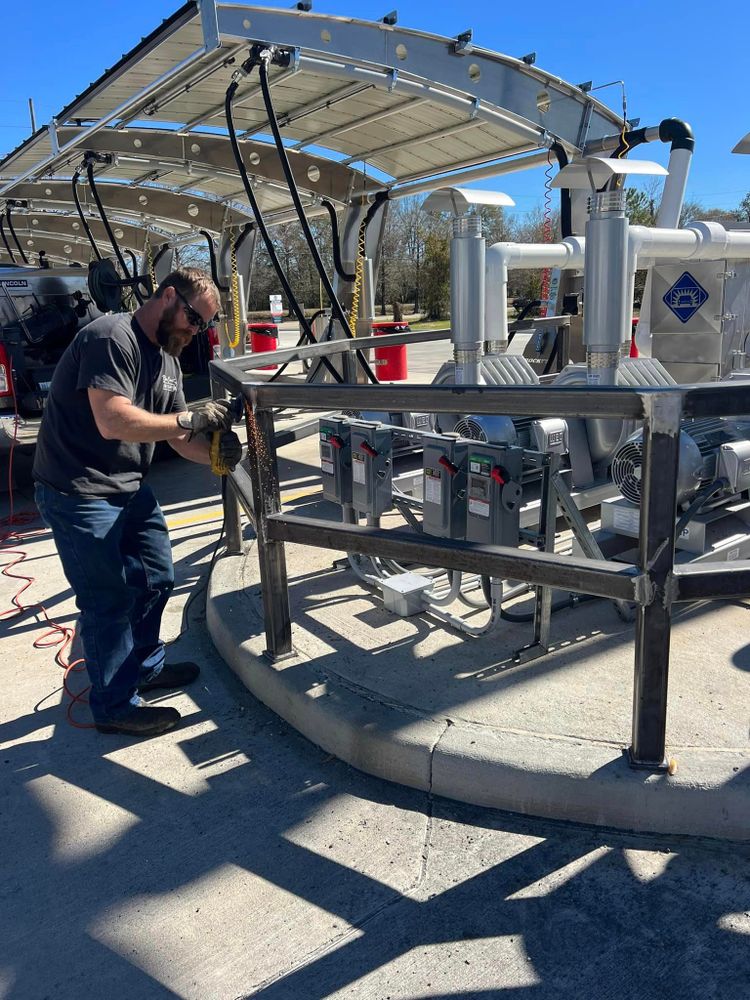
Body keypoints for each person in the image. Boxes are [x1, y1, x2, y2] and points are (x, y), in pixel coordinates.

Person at [33, 267, 243, 738]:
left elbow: (173, 436)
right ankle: (113, 704)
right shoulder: (112, 337)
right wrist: (189, 417)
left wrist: (213, 455)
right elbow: (113, 420)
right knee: (106, 599)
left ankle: (144, 665)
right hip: (78, 490)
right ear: (167, 296)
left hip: (127, 486)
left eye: (204, 325)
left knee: (156, 577)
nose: (196, 330)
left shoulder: (167, 358)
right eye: (194, 317)